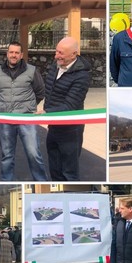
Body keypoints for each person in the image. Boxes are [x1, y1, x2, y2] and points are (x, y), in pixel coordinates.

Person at [0, 41, 47, 181]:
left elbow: (40, 92)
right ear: (7, 54)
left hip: (26, 118)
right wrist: (1, 107)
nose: (13, 55)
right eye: (11, 52)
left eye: (16, 53)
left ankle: (41, 181)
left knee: (33, 153)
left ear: (21, 55)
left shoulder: (32, 70)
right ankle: (6, 181)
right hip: (5, 119)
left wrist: (29, 107)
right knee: (7, 155)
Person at [38, 36, 91, 181]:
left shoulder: (82, 76)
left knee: (69, 172)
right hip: (54, 127)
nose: (56, 56)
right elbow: (49, 92)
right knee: (55, 170)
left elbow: (71, 106)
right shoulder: (56, 65)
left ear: (74, 54)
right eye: (56, 52)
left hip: (70, 130)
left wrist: (47, 112)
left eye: (61, 53)